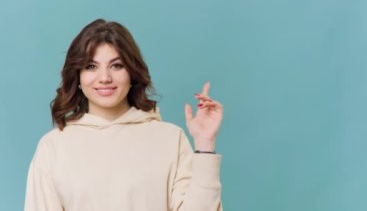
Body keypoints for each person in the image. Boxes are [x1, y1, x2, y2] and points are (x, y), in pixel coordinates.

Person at [24, 19, 223, 211]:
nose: (104, 78)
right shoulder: (53, 148)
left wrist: (205, 145)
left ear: (132, 73)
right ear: (77, 76)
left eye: (116, 65)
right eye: (91, 66)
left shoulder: (170, 139)